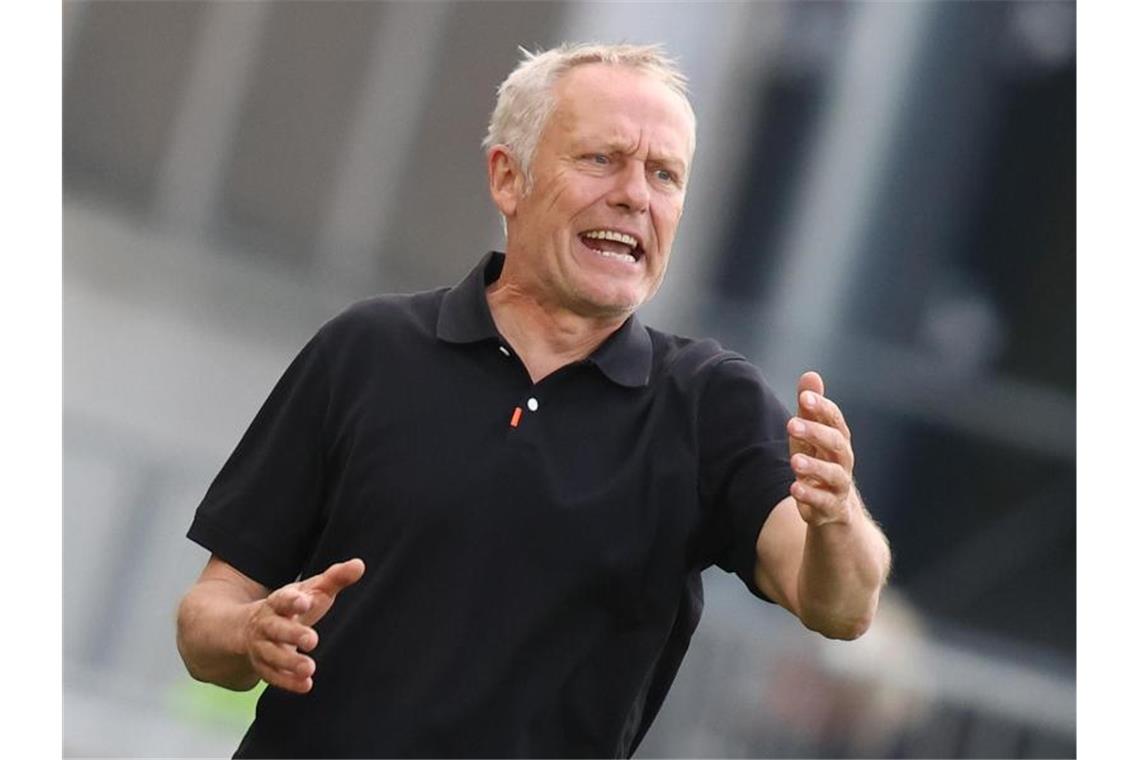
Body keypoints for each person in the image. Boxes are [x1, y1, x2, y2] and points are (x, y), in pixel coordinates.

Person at [176, 42, 891, 758]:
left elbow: (843, 608)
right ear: (508, 177)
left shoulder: (711, 403)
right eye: (601, 159)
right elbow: (209, 615)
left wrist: (834, 517)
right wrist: (250, 632)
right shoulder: (367, 349)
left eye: (665, 174)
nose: (635, 195)